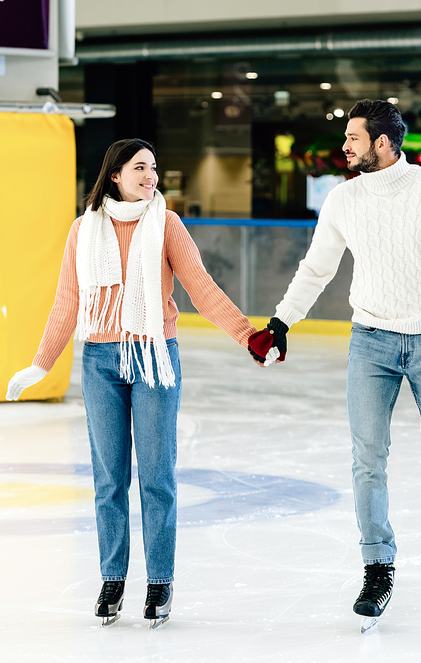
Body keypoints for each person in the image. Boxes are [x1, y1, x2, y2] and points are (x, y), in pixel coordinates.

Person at [6, 138, 257, 628]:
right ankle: (113, 579)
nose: (151, 176)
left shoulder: (166, 224)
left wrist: (248, 335)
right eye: (140, 167)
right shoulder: (84, 231)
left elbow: (201, 287)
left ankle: (160, 580)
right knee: (108, 479)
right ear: (115, 174)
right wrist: (41, 363)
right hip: (100, 360)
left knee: (157, 475)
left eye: (155, 168)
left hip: (153, 358)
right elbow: (67, 302)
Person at [248, 99, 421, 630]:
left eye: (353, 137)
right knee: (367, 458)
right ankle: (378, 565)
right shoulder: (343, 198)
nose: (344, 146)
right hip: (369, 341)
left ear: (382, 142)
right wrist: (280, 322)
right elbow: (317, 268)